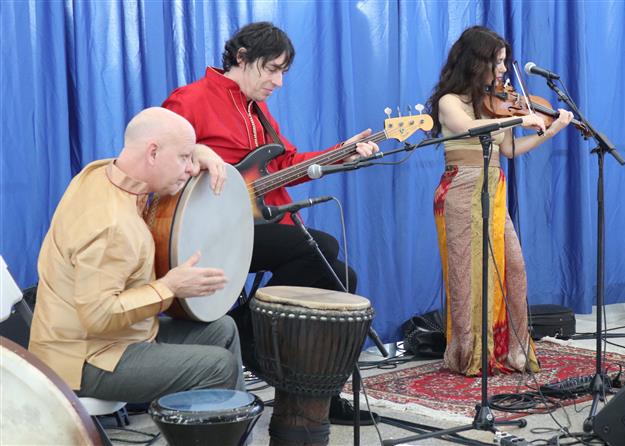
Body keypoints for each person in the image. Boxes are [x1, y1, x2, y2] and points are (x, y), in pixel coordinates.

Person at [163, 22, 380, 425]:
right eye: (271, 69)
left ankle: (315, 391)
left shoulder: (256, 113)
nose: (278, 81)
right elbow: (161, 148)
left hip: (255, 226)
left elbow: (285, 165)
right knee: (319, 246)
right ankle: (250, 325)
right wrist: (199, 152)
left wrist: (340, 153)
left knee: (340, 278)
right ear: (242, 58)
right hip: (207, 233)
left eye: (283, 71)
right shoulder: (191, 98)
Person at [28, 107, 245, 403]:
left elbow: (153, 133)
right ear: (153, 154)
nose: (192, 169)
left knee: (223, 330)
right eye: (184, 158)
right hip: (84, 359)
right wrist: (170, 287)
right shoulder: (111, 225)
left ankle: (230, 430)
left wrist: (198, 150)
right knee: (218, 367)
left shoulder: (100, 172)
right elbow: (98, 316)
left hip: (122, 338)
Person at [427, 26, 574, 376]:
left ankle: (515, 351)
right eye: (498, 62)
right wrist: (521, 117)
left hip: (493, 189)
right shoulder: (450, 102)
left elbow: (508, 149)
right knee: (468, 275)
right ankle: (470, 354)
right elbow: (467, 129)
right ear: (477, 62)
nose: (505, 70)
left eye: (505, 62)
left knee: (514, 267)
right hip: (461, 189)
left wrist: (549, 131)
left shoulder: (497, 104)